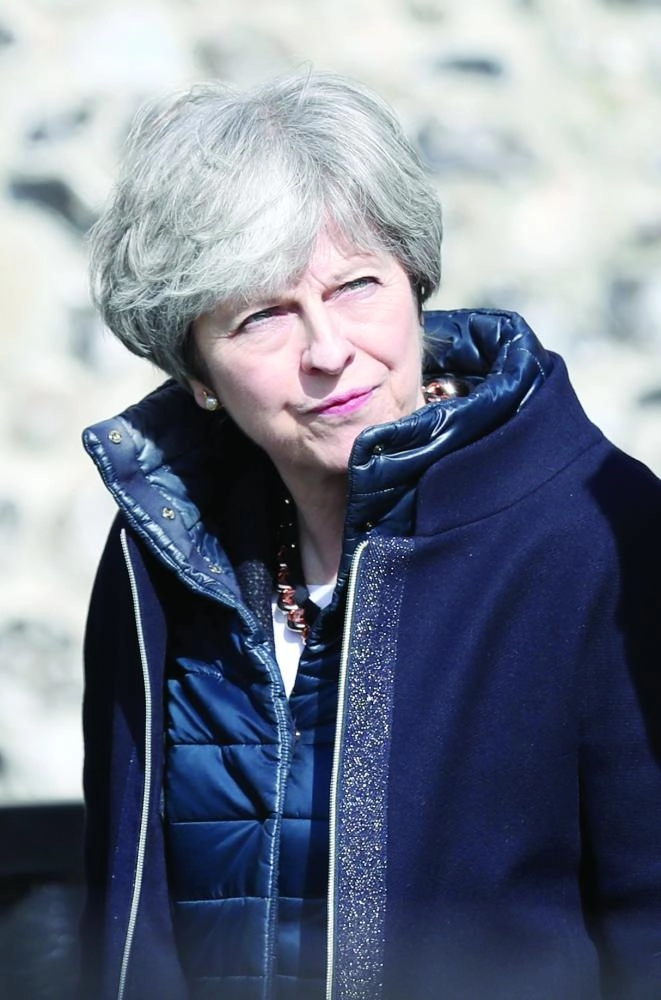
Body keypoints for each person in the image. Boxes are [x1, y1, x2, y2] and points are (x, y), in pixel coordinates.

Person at [79, 68, 661, 1000]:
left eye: (356, 285)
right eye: (262, 315)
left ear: (415, 283)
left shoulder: (596, 533)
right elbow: (125, 910)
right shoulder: (157, 556)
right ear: (195, 371)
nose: (326, 350)